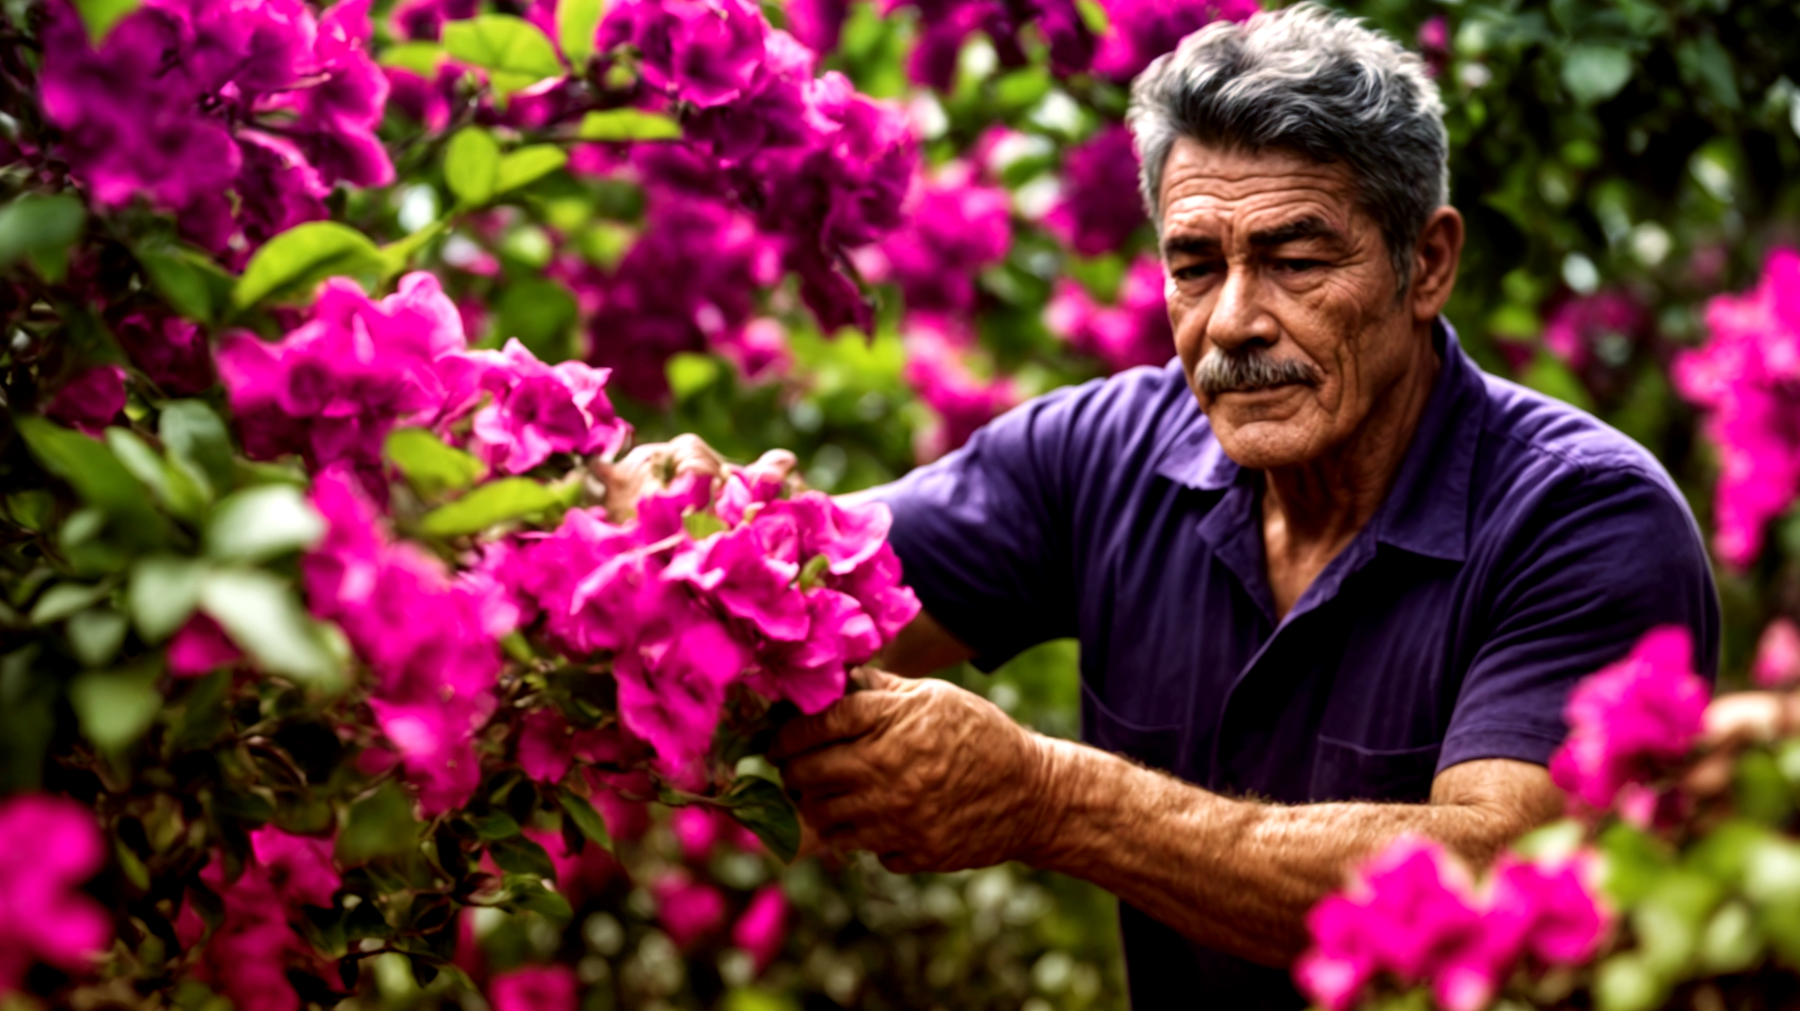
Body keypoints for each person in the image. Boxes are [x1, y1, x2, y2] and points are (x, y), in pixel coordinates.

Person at [607, 5, 1720, 1006]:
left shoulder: (1585, 518)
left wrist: (1052, 799)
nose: (1234, 319)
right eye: (1196, 265)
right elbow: (806, 589)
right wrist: (676, 526)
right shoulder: (1102, 453)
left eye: (1293, 259)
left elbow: (1498, 878)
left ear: (1424, 265)